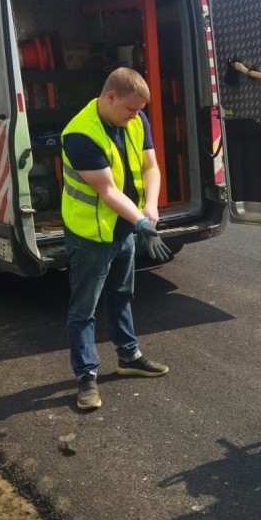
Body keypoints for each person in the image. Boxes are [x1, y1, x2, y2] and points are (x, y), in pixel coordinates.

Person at [61, 67, 172, 410]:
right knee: (84, 310)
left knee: (122, 294)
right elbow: (107, 190)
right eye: (131, 109)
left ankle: (129, 357)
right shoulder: (80, 134)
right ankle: (86, 377)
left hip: (122, 228)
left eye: (139, 110)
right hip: (91, 235)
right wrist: (141, 222)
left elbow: (151, 166)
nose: (136, 116)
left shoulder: (135, 120)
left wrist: (150, 207)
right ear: (111, 97)